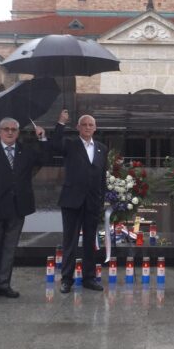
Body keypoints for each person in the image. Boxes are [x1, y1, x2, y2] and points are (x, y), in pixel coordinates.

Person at [0, 117, 46, 301]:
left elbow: (46, 158)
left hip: (17, 208)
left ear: (18, 132)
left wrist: (42, 138)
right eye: (6, 129)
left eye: (14, 129)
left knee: (9, 249)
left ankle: (3, 284)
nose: (10, 132)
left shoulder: (25, 151)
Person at [48, 110, 107, 293]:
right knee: (70, 241)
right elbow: (55, 144)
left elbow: (102, 177)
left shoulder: (101, 148)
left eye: (91, 125)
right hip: (72, 201)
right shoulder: (71, 145)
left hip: (92, 202)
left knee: (90, 241)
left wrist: (101, 200)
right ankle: (67, 279)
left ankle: (89, 278)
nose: (88, 127)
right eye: (84, 124)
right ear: (78, 128)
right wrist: (60, 122)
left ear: (95, 128)